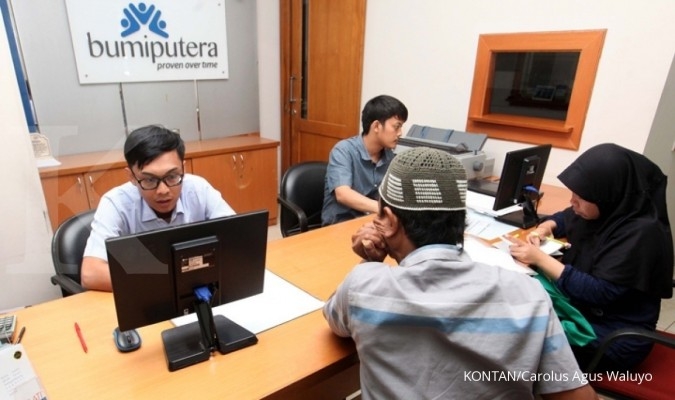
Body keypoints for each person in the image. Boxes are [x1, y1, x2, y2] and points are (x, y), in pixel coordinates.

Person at [323, 147, 597, 399]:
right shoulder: (528, 294)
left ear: (391, 222)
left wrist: (370, 261)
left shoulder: (363, 286)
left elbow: (335, 320)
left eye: (380, 216)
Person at [508, 143, 673, 372]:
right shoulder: (612, 208)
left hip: (611, 337)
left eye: (580, 197)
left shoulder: (641, 234)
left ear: (606, 195)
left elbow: (598, 292)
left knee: (515, 336)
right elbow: (566, 217)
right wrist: (545, 227)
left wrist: (541, 259)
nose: (572, 201)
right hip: (584, 312)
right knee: (514, 306)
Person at [81, 125, 235, 291]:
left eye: (172, 176)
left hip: (197, 291)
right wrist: (171, 279)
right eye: (149, 180)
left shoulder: (198, 189)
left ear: (183, 168)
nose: (163, 190)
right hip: (146, 296)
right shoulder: (116, 203)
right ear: (131, 176)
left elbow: (238, 241)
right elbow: (90, 274)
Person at [321, 94, 408, 226]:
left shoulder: (389, 156)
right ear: (376, 126)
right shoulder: (344, 151)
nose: (400, 133)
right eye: (397, 127)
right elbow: (343, 194)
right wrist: (383, 209)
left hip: (372, 222)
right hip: (341, 224)